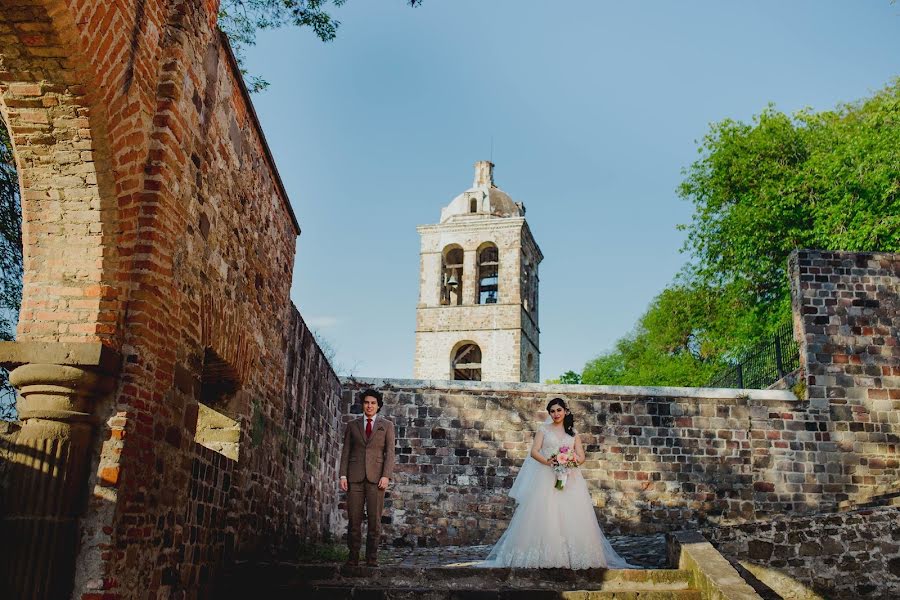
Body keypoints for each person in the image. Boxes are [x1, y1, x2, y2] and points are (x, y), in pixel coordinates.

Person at [480, 398, 635, 569]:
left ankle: (574, 555)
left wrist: (570, 463)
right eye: (552, 411)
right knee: (546, 512)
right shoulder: (543, 430)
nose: (556, 414)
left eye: (559, 410)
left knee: (572, 514)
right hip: (546, 476)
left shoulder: (573, 433)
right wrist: (551, 462)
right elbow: (534, 452)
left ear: (565, 411)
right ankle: (544, 555)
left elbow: (581, 456)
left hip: (571, 478)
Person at [339, 388, 396, 567]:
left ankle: (372, 557)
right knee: (354, 519)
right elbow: (346, 451)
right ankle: (353, 556)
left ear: (378, 406)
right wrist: (342, 475)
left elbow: (390, 453)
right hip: (354, 477)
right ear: (362, 404)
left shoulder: (386, 425)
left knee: (374, 520)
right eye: (366, 402)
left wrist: (386, 476)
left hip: (376, 478)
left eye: (373, 403)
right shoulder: (352, 425)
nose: (369, 406)